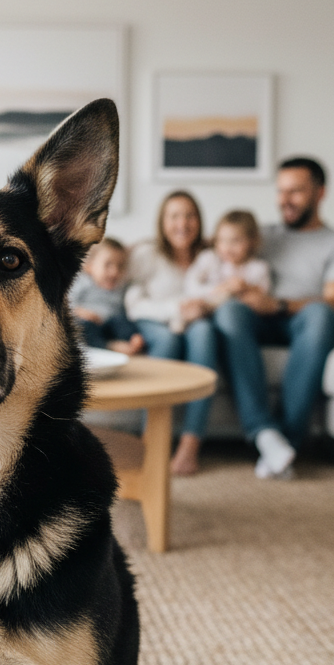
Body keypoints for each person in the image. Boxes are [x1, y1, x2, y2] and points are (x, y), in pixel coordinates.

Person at [212, 157, 334, 479]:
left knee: (322, 314)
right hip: (251, 320)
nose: (285, 200)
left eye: (295, 191)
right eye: (281, 191)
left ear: (320, 193)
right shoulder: (260, 235)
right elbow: (209, 248)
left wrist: (278, 305)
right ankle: (265, 433)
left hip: (302, 324)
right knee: (228, 310)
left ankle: (287, 440)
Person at [126, 190, 219, 476]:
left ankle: (190, 446)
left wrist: (203, 307)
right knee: (168, 339)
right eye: (174, 216)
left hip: (197, 323)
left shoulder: (211, 256)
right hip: (155, 322)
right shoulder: (147, 253)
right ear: (163, 222)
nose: (183, 223)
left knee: (205, 333)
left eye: (190, 215)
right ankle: (150, 443)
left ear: (199, 221)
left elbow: (225, 290)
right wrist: (178, 309)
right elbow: (133, 304)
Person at [70, 238, 146, 356]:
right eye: (108, 264)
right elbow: (65, 305)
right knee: (82, 328)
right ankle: (109, 346)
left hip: (110, 324)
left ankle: (133, 341)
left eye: (120, 266)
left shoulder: (120, 288)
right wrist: (81, 312)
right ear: (89, 267)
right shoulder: (83, 282)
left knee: (123, 322)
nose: (114, 271)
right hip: (90, 321)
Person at [184, 210, 271, 308]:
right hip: (205, 309)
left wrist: (246, 288)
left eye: (235, 240)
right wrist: (221, 289)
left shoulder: (259, 268)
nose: (227, 247)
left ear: (252, 241)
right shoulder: (209, 258)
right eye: (222, 240)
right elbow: (190, 285)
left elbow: (263, 299)